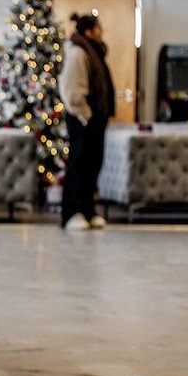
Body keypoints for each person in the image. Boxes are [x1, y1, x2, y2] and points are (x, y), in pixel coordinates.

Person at [58, 12, 115, 231]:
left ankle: (87, 210)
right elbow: (71, 89)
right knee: (79, 165)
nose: (102, 32)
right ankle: (72, 213)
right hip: (83, 118)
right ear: (89, 32)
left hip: (95, 118)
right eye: (99, 28)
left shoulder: (93, 52)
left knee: (92, 165)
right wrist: (85, 114)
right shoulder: (78, 53)